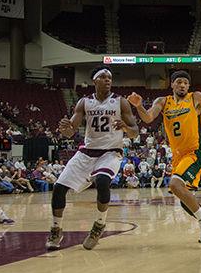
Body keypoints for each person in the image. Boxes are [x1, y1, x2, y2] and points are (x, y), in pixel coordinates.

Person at [128, 70, 201, 243]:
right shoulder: (163, 101)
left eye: (185, 82)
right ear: (172, 84)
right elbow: (148, 118)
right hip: (178, 157)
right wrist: (139, 106)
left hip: (195, 153)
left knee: (175, 184)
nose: (183, 85)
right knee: (186, 201)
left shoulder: (196, 97)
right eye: (179, 82)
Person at [45, 66, 139, 251]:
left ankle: (99, 225)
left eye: (110, 77)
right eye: (103, 77)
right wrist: (65, 129)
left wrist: (126, 128)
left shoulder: (120, 102)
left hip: (111, 152)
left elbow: (135, 131)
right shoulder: (84, 102)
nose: (108, 80)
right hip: (87, 152)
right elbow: (70, 130)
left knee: (103, 181)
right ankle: (56, 229)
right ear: (94, 81)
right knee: (58, 188)